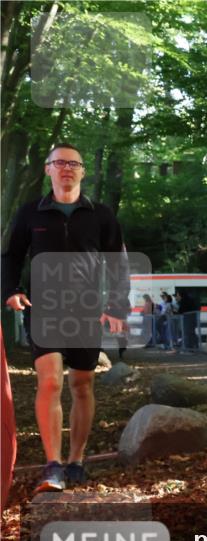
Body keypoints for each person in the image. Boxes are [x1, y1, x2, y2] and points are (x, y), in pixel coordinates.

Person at [0, 143, 129, 493]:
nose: (67, 168)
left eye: (74, 163)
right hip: (44, 308)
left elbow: (118, 262)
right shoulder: (31, 213)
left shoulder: (101, 215)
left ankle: (76, 461)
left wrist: (117, 306)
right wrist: (10, 289)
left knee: (81, 385)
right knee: (51, 382)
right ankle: (52, 465)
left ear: (83, 171)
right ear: (48, 170)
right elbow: (10, 255)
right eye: (59, 163)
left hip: (86, 310)